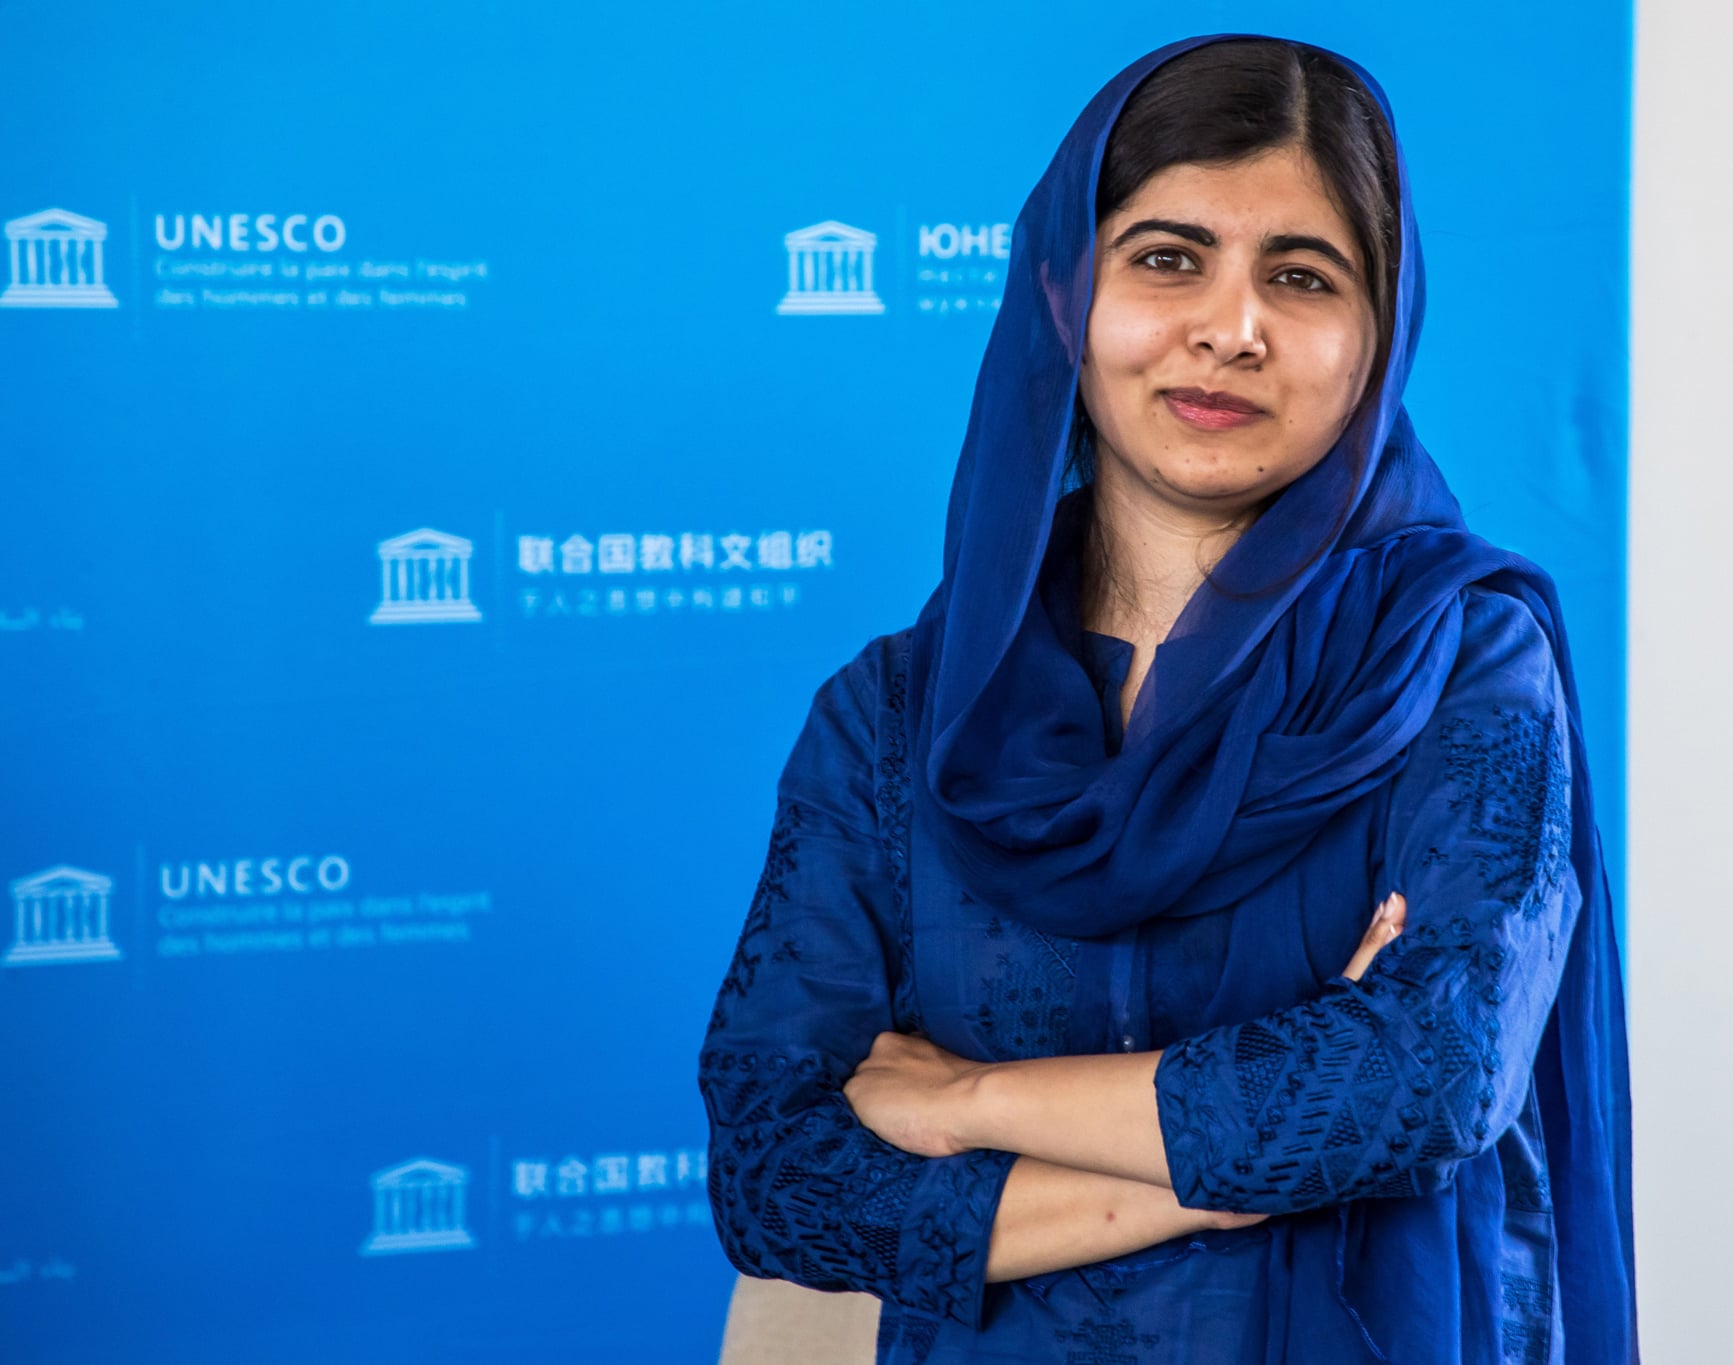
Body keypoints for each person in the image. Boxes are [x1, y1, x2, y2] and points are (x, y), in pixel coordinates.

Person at [697, 30, 1637, 1364]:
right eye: (1168, 257)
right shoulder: (895, 717)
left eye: (1302, 276)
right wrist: (1244, 1152)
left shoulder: (1455, 661)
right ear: (1062, 293)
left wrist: (964, 1095)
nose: (1230, 327)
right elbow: (775, 1171)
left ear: (1383, 335)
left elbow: (1433, 1068)